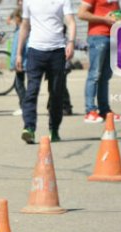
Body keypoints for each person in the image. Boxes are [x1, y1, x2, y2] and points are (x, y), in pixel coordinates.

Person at [16, 0, 76, 143]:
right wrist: (19, 53)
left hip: (57, 51)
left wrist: (71, 42)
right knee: (31, 91)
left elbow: (71, 22)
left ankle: (54, 129)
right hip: (35, 52)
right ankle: (29, 128)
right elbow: (24, 26)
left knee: (56, 93)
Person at [77, 0, 121, 123]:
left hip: (113, 36)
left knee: (106, 76)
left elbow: (117, 13)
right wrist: (104, 19)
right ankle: (90, 110)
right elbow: (81, 14)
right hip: (98, 36)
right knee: (94, 75)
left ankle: (105, 110)